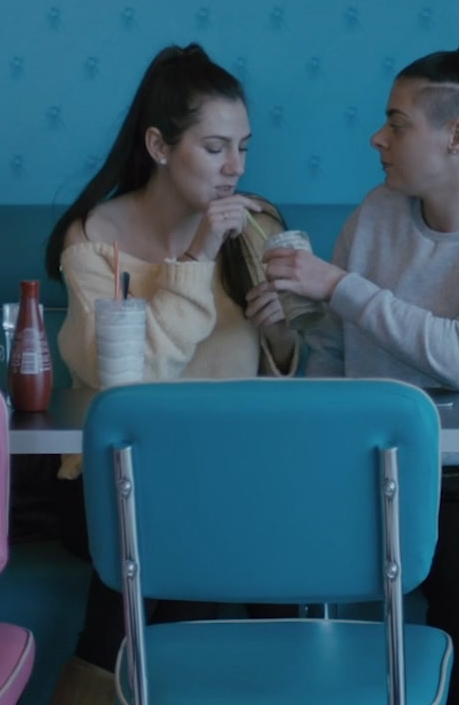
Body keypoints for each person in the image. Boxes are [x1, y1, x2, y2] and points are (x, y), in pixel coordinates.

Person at [257, 42, 459, 705]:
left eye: (396, 124)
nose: (378, 138)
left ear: (457, 137)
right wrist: (290, 326)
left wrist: (339, 286)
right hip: (364, 468)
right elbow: (336, 356)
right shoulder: (376, 214)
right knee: (265, 559)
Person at [42, 43, 298, 705]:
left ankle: (98, 682)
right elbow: (128, 378)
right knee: (196, 529)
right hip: (111, 480)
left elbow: (286, 378)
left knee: (206, 532)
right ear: (159, 144)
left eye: (243, 147)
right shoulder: (93, 239)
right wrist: (198, 255)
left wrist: (280, 331)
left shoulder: (258, 225)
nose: (234, 168)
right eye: (215, 148)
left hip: (234, 473)